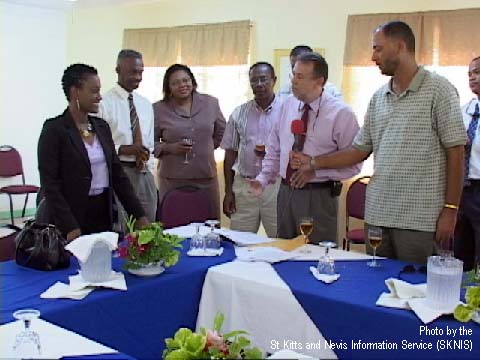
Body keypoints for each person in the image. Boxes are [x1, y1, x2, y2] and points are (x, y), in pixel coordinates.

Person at [292, 21, 467, 264]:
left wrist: (450, 209)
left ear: (400, 46)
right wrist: (313, 162)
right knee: (376, 291)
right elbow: (358, 149)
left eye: (378, 49)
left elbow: (456, 152)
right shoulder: (379, 98)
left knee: (415, 292)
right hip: (378, 216)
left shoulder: (439, 90)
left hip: (419, 219)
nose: (373, 56)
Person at [250, 52, 361, 244]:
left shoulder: (341, 114)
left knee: (314, 257)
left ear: (319, 81)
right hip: (285, 193)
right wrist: (263, 178)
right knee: (284, 252)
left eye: (300, 77)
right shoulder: (287, 106)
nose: (293, 81)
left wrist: (315, 170)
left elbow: (354, 164)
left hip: (318, 196)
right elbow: (275, 148)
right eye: (293, 74)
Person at [38, 64, 148, 241]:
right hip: (70, 217)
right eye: (94, 91)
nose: (99, 97)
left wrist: (139, 215)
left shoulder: (101, 127)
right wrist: (70, 226)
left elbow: (118, 176)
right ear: (75, 92)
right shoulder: (55, 129)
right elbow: (50, 185)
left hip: (102, 213)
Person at [153, 64, 226, 220]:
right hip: (172, 180)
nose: (182, 85)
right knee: (173, 226)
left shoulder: (210, 103)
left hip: (205, 176)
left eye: (186, 80)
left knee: (209, 225)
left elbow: (222, 131)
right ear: (168, 87)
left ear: (192, 81)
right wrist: (170, 148)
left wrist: (206, 148)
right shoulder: (158, 109)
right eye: (175, 83)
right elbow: (149, 142)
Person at [221, 62, 282, 237]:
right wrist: (228, 192)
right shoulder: (239, 113)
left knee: (279, 241)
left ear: (274, 80)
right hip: (244, 186)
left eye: (264, 79)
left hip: (275, 186)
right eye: (254, 80)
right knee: (239, 241)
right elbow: (230, 154)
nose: (259, 84)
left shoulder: (286, 111)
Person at [98, 49, 157, 226]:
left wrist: (148, 164)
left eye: (141, 72)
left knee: (149, 227)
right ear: (118, 70)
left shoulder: (145, 104)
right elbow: (98, 145)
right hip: (120, 172)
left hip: (144, 173)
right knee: (124, 227)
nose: (138, 77)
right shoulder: (104, 104)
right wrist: (124, 150)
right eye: (133, 72)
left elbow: (150, 142)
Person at [455, 56, 480, 271]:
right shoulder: (465, 111)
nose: (472, 77)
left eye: (477, 72)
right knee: (461, 251)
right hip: (462, 189)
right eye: (470, 73)